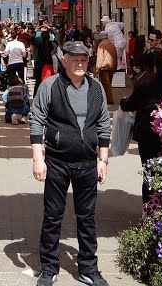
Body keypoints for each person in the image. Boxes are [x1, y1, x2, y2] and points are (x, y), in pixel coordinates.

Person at [30, 41, 112, 286]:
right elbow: (37, 122)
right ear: (64, 60)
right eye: (74, 59)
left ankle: (89, 268)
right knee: (53, 216)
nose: (79, 64)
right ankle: (49, 268)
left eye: (84, 60)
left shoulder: (96, 87)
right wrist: (38, 159)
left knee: (86, 217)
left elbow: (104, 125)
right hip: (56, 161)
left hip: (87, 163)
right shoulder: (50, 86)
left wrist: (103, 160)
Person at [118, 49, 162, 202]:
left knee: (149, 170)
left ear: (155, 68)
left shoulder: (145, 85)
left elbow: (130, 104)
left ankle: (149, 206)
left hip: (147, 133)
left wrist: (123, 102)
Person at [94, 29, 118, 105]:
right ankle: (107, 98)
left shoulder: (101, 45)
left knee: (106, 84)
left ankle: (109, 99)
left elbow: (100, 58)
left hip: (104, 67)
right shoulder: (112, 44)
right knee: (109, 83)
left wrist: (97, 68)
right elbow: (115, 56)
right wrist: (115, 66)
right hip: (112, 66)